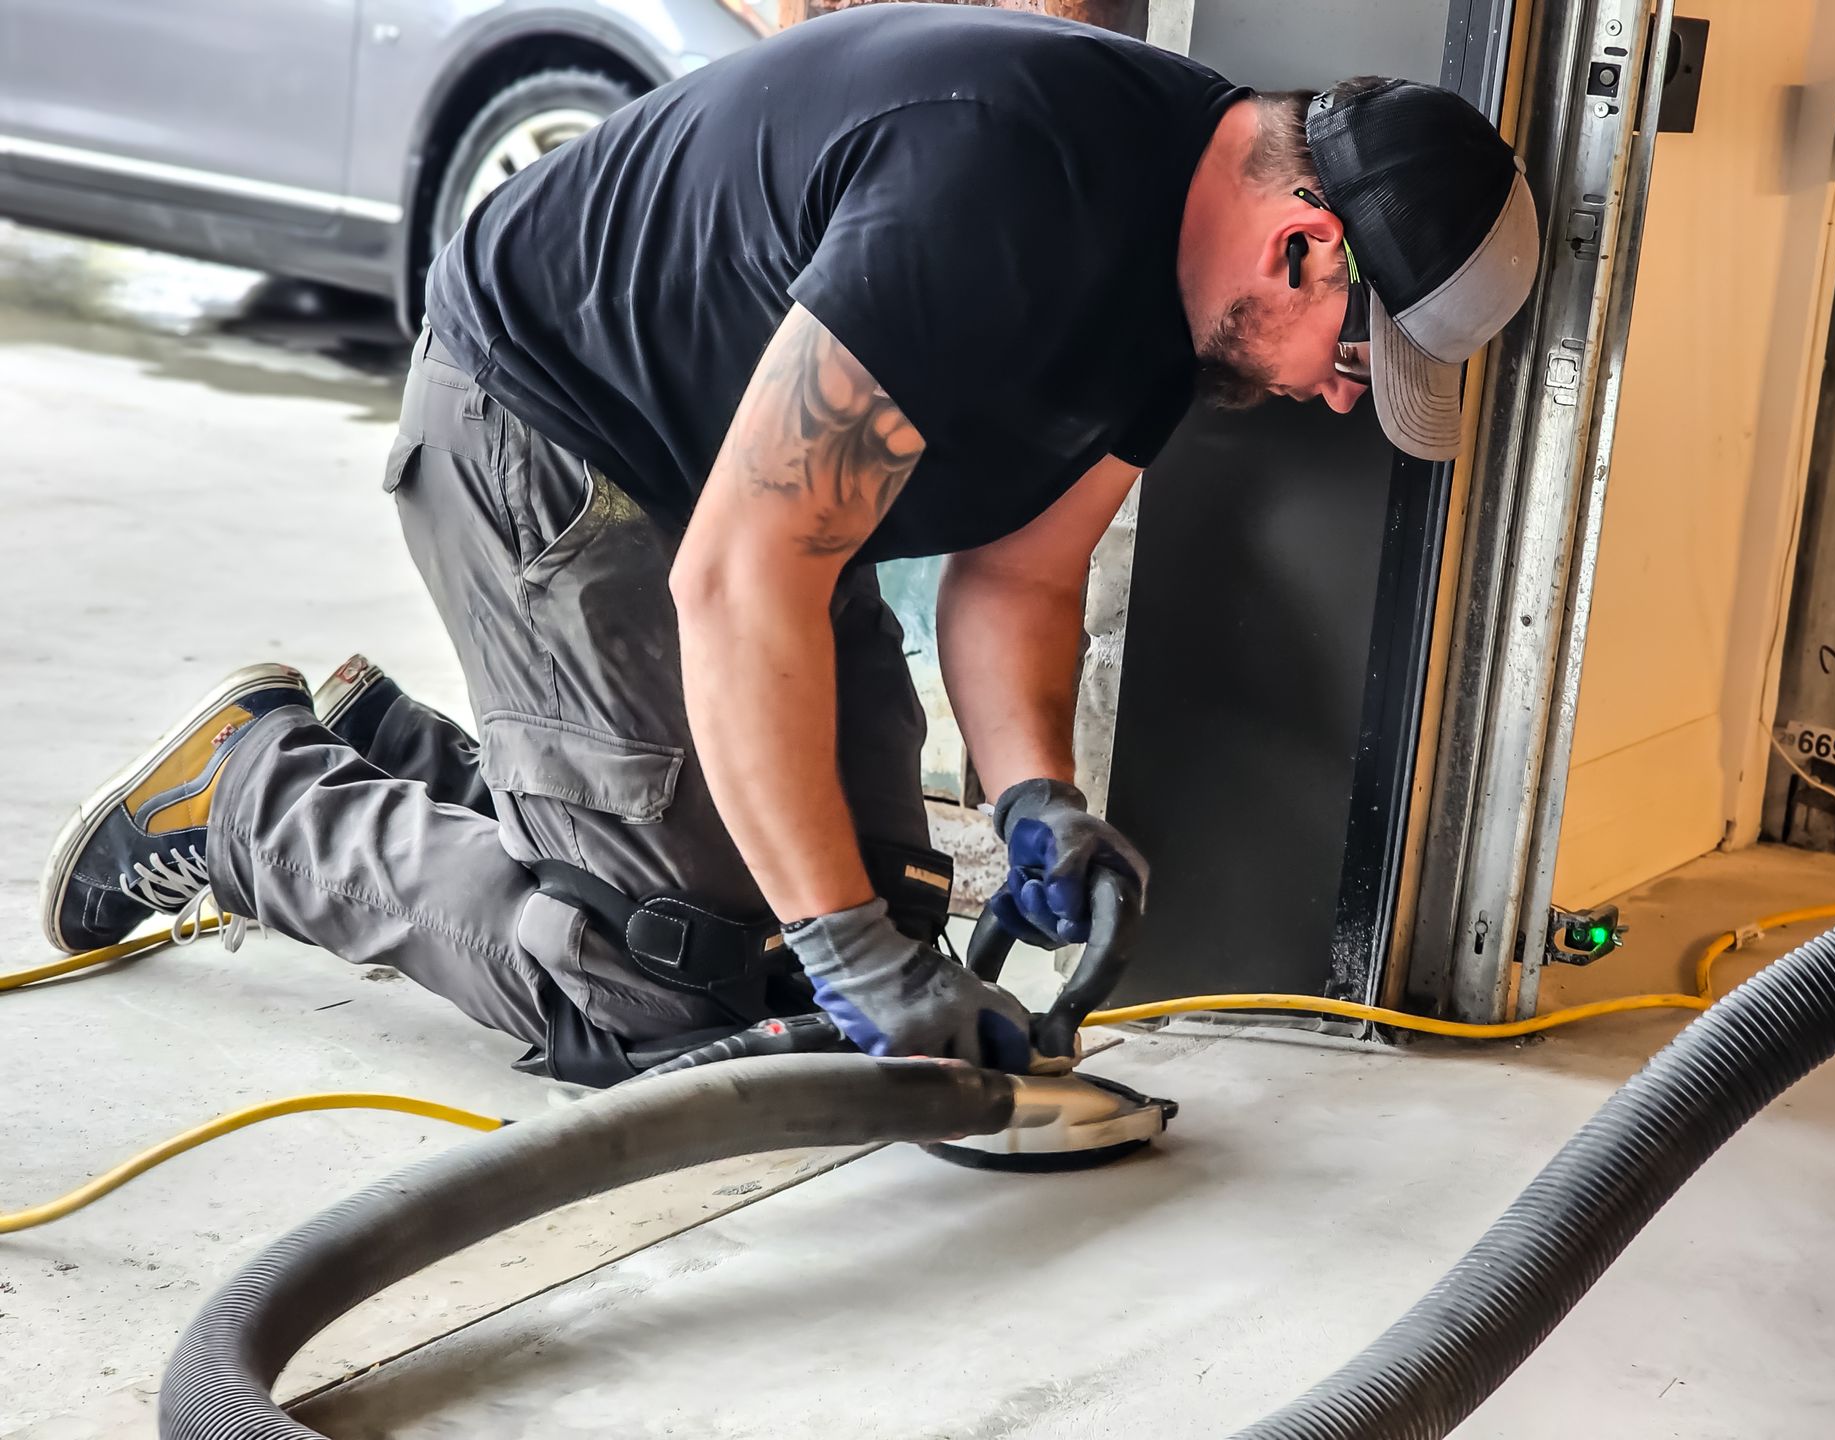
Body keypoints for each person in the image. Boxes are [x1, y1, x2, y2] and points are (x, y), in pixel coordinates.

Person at [38, 4, 1539, 1081]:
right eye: (1359, 358)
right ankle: (246, 798)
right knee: (670, 986)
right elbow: (741, 579)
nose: (1339, 398)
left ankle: (421, 755)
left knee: (878, 924)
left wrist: (1035, 804)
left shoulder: (1181, 302)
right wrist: (836, 946)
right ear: (1306, 246)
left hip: (748, 499)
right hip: (553, 432)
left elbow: (1019, 572)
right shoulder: (1005, 185)